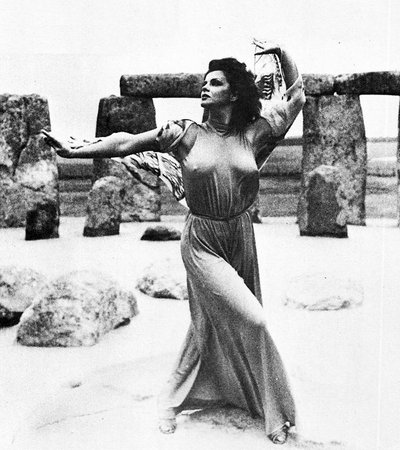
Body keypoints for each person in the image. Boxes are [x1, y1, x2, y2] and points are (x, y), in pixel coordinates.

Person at [42, 41, 305, 445]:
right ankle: (274, 412)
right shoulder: (184, 133)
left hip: (240, 235)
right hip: (202, 240)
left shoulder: (254, 134)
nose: (205, 87)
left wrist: (281, 52)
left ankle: (172, 400)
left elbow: (296, 96)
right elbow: (125, 141)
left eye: (215, 83)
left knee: (208, 323)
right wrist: (76, 151)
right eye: (205, 81)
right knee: (253, 319)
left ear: (235, 93)